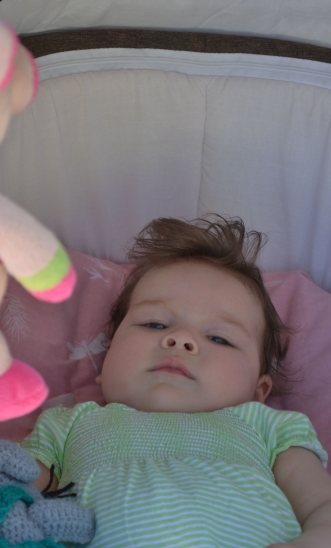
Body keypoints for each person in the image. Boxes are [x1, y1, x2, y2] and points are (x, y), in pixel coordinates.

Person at [23, 216, 331, 548]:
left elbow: (322, 507)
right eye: (155, 324)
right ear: (107, 358)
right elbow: (11, 502)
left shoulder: (268, 427)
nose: (181, 339)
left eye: (219, 338)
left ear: (258, 391)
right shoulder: (66, 425)